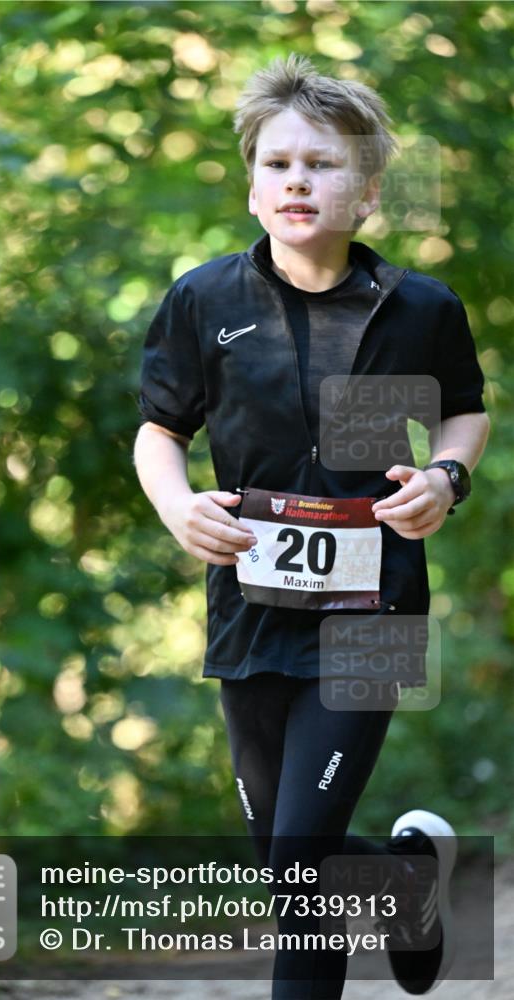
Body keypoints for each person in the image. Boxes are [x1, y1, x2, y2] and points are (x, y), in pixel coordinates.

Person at [133, 52, 489, 999]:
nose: (298, 179)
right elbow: (158, 432)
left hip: (374, 606)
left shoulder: (417, 307)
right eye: (278, 162)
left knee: (297, 865)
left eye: (323, 164)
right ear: (251, 186)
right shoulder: (205, 303)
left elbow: (466, 408)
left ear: (367, 191)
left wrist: (446, 477)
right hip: (251, 603)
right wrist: (177, 506)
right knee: (290, 855)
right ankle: (407, 879)